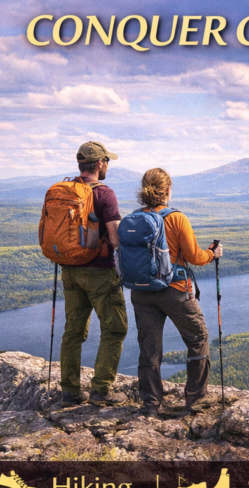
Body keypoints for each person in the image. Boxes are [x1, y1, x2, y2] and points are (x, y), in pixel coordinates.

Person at [130, 168, 223, 418]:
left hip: (141, 291)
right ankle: (195, 398)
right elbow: (194, 257)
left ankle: (150, 404)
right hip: (175, 290)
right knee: (198, 338)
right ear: (168, 189)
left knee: (149, 347)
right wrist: (212, 253)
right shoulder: (176, 218)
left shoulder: (134, 218)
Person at [59, 141, 128, 407]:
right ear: (99, 163)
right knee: (114, 329)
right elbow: (115, 237)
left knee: (73, 331)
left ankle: (70, 391)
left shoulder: (65, 190)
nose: (108, 165)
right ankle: (101, 390)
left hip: (69, 271)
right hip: (99, 272)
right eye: (107, 161)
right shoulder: (104, 194)